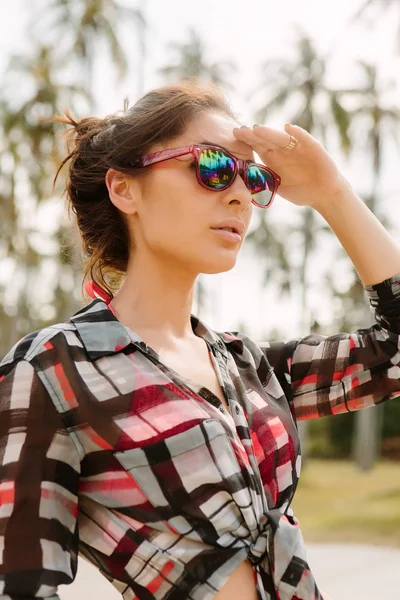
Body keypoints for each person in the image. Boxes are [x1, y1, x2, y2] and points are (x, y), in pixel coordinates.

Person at [0, 78, 399, 600]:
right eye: (211, 167)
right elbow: (23, 586)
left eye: (252, 177)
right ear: (125, 188)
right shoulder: (54, 369)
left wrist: (333, 194)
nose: (239, 194)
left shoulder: (246, 365)